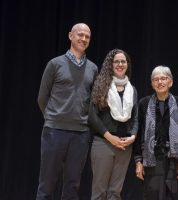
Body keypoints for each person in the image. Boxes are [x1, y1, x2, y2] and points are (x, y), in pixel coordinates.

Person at [36, 23, 98, 200]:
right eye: (80, 35)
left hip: (80, 134)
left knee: (72, 185)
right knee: (47, 183)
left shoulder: (93, 68)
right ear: (70, 36)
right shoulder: (55, 64)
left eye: (87, 36)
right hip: (54, 131)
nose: (83, 39)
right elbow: (42, 97)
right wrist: (52, 119)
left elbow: (92, 101)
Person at [88, 49, 138, 200]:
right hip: (104, 143)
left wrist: (133, 136)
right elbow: (92, 116)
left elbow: (136, 117)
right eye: (116, 61)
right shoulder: (101, 85)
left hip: (124, 146)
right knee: (99, 192)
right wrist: (110, 137)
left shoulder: (132, 89)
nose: (120, 64)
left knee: (115, 193)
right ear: (111, 64)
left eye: (123, 61)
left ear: (127, 65)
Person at [133, 66, 178, 200]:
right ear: (152, 84)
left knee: (171, 195)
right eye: (156, 79)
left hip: (172, 159)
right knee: (152, 195)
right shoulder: (143, 103)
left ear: (171, 82)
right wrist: (138, 161)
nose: (160, 82)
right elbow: (138, 133)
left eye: (163, 78)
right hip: (151, 159)